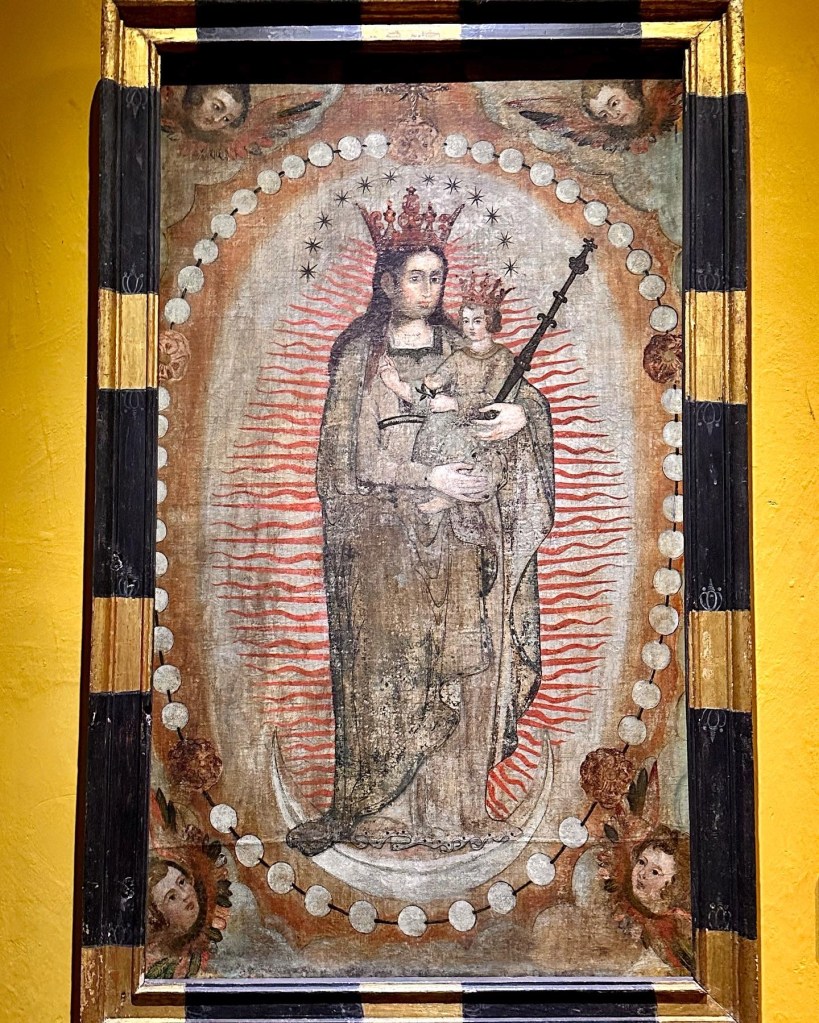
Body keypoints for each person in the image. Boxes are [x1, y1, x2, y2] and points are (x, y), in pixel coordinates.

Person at [285, 188, 555, 857]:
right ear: (386, 283)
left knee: (463, 669)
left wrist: (520, 417)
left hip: (458, 540)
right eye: (415, 276)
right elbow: (346, 460)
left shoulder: (463, 348)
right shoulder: (360, 355)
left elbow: (511, 402)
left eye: (437, 277)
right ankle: (381, 813)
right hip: (381, 547)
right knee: (390, 671)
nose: (428, 289)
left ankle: (455, 813)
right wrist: (428, 479)